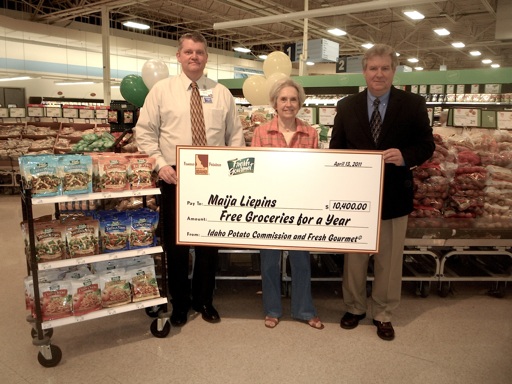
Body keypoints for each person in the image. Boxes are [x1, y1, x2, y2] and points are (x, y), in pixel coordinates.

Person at [135, 32, 245, 326]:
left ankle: (204, 300)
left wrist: (232, 172)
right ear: (178, 56)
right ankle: (181, 303)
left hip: (214, 176)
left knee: (209, 243)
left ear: (206, 57)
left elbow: (235, 136)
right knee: (176, 245)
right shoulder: (161, 90)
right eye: (188, 52)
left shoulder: (221, 93)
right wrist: (160, 165)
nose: (194, 56)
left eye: (199, 52)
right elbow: (144, 133)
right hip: (175, 177)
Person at [329, 44, 435, 340]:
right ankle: (354, 307)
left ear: (393, 71)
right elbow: (335, 148)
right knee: (355, 255)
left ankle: (384, 312)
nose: (379, 74)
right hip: (355, 196)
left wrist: (405, 156)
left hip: (394, 193)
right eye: (373, 68)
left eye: (385, 68)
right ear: (364, 71)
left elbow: (427, 145)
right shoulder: (347, 105)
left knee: (389, 259)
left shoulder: (413, 104)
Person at [251, 78, 323, 330]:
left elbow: (316, 171)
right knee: (269, 261)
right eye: (283, 99)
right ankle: (272, 309)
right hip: (269, 206)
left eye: (293, 99)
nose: (288, 104)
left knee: (301, 260)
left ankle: (304, 309)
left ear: (300, 103)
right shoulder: (261, 132)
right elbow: (254, 171)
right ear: (274, 103)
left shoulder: (310, 133)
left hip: (299, 206)